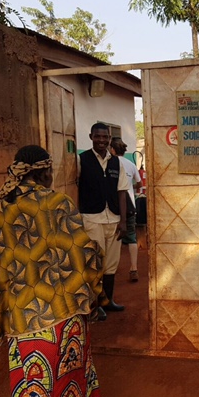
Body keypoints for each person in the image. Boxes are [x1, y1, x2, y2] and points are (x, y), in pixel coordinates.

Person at [0, 145, 103, 397]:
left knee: (35, 391)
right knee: (71, 383)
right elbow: (81, 256)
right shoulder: (58, 203)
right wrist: (94, 282)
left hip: (22, 321)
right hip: (62, 315)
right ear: (45, 171)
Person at [78, 122, 131, 317]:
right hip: (92, 218)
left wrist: (123, 221)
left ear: (110, 138)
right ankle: (95, 305)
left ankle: (109, 300)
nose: (102, 140)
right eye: (98, 136)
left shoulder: (117, 162)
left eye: (105, 137)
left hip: (113, 220)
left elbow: (122, 192)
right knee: (94, 262)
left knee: (111, 263)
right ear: (91, 136)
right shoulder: (81, 160)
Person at [110, 137, 142, 282]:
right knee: (131, 238)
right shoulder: (130, 164)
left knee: (112, 239)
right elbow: (139, 183)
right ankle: (134, 268)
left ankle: (111, 269)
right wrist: (132, 189)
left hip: (113, 205)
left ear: (112, 150)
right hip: (129, 205)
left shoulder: (110, 164)